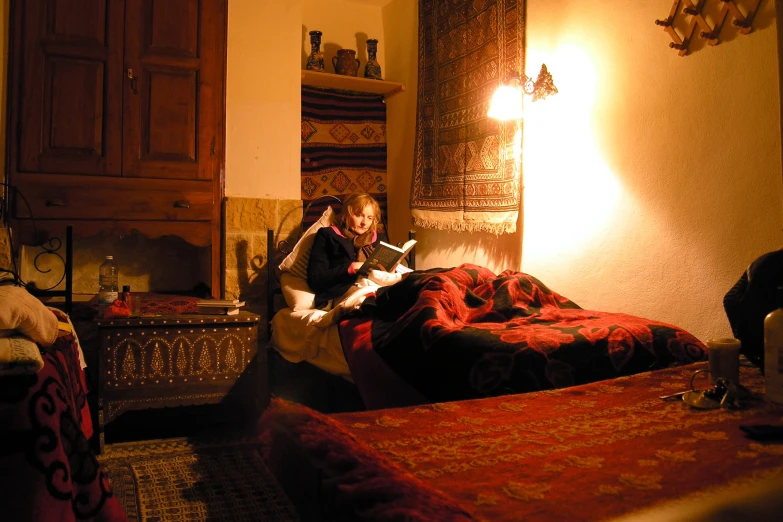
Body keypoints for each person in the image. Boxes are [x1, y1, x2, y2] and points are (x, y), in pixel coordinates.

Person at [307, 193, 387, 309]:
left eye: (370, 218)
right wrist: (350, 268)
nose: (364, 222)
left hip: (379, 286)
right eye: (359, 215)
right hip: (341, 291)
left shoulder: (379, 239)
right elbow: (315, 280)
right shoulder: (328, 235)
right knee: (371, 300)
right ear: (347, 214)